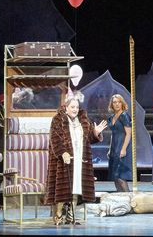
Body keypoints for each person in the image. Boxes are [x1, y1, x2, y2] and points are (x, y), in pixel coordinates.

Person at [44, 95, 108, 224]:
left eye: (77, 107)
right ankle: (58, 214)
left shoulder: (83, 120)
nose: (75, 109)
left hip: (80, 158)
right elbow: (54, 138)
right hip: (64, 160)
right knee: (63, 188)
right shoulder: (58, 120)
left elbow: (89, 139)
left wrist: (95, 133)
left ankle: (71, 215)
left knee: (76, 187)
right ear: (66, 107)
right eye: (72, 107)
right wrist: (63, 153)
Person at [107, 94, 134, 192]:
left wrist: (123, 149)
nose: (117, 104)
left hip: (123, 146)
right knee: (115, 177)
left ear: (122, 103)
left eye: (119, 102)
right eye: (114, 102)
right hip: (115, 147)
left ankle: (129, 197)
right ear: (112, 104)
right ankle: (120, 198)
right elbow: (113, 134)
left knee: (120, 177)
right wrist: (110, 149)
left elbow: (128, 134)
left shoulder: (124, 116)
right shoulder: (112, 117)